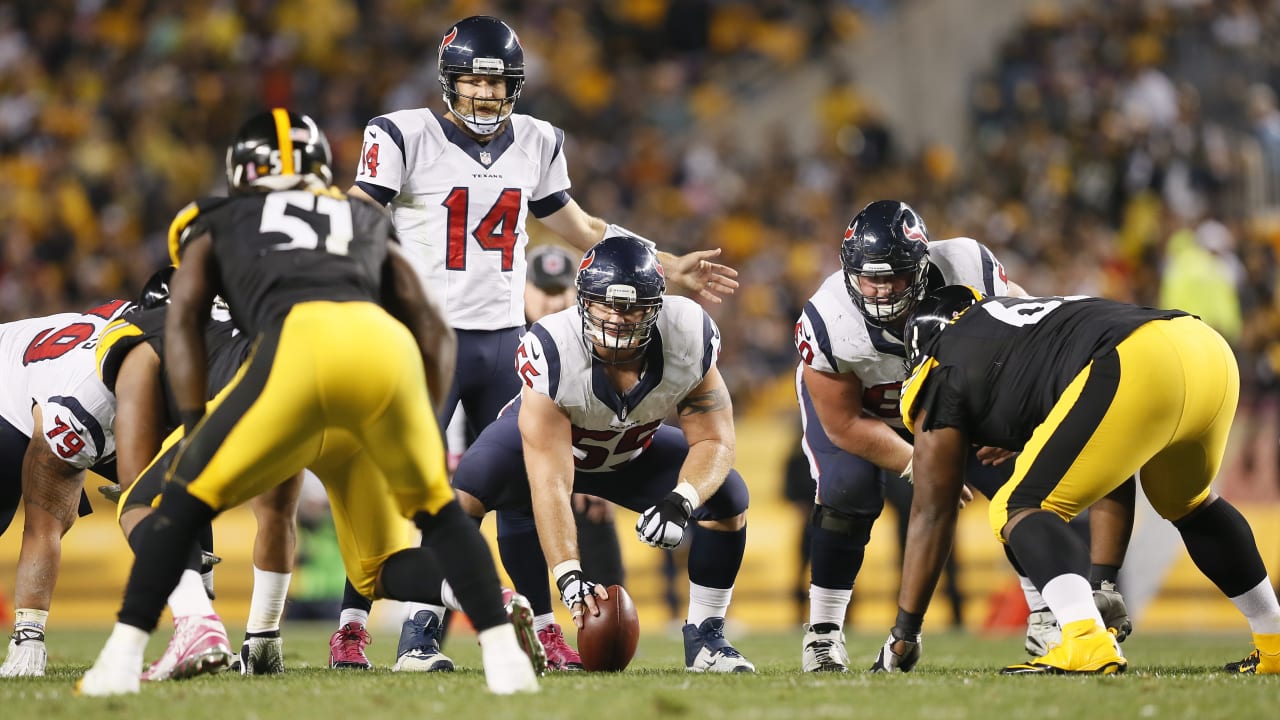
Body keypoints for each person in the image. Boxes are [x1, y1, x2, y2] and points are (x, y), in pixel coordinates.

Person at [78, 108, 540, 696]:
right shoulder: (361, 217)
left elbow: (186, 317)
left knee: (163, 502)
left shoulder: (217, 218)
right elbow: (429, 322)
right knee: (423, 528)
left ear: (241, 169)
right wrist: (417, 419)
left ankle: (122, 659)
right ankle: (504, 654)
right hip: (386, 354)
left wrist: (197, 422)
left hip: (296, 356)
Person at [337, 14, 737, 672]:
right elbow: (358, 212)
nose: (488, 97)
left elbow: (583, 230)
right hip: (425, 341)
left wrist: (665, 265)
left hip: (502, 339)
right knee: (418, 491)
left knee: (525, 496)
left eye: (500, 85)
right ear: (449, 82)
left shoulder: (538, 141)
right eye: (474, 83)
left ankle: (545, 632)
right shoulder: (401, 134)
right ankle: (390, 635)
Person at [874, 285, 1280, 674]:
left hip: (1134, 362)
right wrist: (1103, 578)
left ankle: (1085, 641)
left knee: (1017, 506)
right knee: (1187, 502)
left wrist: (904, 631)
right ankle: (1274, 643)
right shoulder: (1023, 335)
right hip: (1203, 348)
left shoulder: (944, 361)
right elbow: (1110, 460)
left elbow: (933, 510)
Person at [452, 235, 756, 673]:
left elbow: (715, 440)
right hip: (548, 454)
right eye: (605, 304)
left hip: (630, 452)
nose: (617, 318)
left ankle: (706, 639)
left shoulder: (688, 333)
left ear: (657, 305)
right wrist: (570, 578)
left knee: (728, 496)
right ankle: (422, 629)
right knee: (464, 494)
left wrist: (680, 501)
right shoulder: (554, 346)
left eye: (632, 307)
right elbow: (551, 483)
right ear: (583, 301)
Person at [790, 199, 1023, 672]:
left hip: (950, 401)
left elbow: (1024, 337)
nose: (880, 289)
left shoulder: (966, 267)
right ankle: (823, 633)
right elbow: (844, 423)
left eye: (894, 275)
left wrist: (1017, 416)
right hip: (863, 413)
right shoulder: (829, 318)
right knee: (845, 491)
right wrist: (921, 465)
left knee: (1021, 480)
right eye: (869, 277)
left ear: (922, 264)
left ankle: (1045, 614)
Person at [95, 267, 303, 678]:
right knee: (278, 511)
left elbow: (139, 478)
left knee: (138, 503)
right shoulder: (251, 314)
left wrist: (137, 485)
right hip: (308, 388)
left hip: (237, 404)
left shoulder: (139, 331)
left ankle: (196, 623)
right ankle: (263, 637)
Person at [0, 299, 133, 676]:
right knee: (46, 513)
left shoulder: (141, 336)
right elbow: (44, 521)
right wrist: (31, 632)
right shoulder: (87, 398)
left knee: (175, 491)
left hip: (52, 377)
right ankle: (27, 638)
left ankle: (200, 627)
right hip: (13, 399)